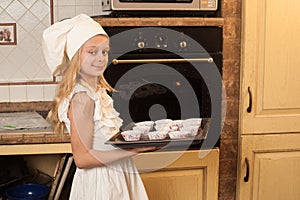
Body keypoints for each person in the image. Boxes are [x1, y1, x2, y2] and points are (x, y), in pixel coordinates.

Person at [42, 14, 155, 199]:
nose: (101, 58)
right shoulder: (82, 98)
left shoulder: (97, 91)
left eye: (104, 51)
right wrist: (131, 150)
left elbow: (102, 139)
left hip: (115, 176)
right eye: (92, 52)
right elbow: (82, 159)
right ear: (76, 56)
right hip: (101, 184)